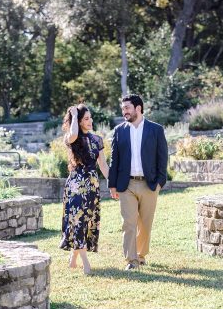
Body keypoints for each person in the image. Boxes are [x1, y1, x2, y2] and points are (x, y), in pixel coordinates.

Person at [108, 94, 168, 270]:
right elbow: (114, 160)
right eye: (123, 108)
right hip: (126, 185)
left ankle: (141, 255)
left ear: (138, 108)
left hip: (149, 184)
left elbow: (162, 157)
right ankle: (131, 260)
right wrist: (112, 184)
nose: (124, 111)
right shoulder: (119, 130)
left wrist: (160, 182)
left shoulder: (155, 130)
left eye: (127, 108)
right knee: (129, 223)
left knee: (145, 224)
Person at [60, 103, 109, 275]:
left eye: (90, 118)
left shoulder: (97, 140)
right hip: (76, 185)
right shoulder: (71, 137)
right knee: (77, 220)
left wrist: (111, 182)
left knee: (87, 220)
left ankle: (73, 258)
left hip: (92, 185)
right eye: (86, 119)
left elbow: (102, 164)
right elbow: (73, 134)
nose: (90, 121)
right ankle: (85, 263)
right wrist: (73, 115)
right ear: (79, 121)